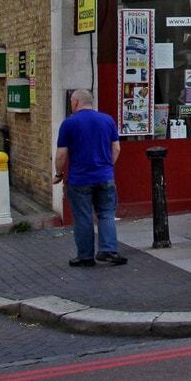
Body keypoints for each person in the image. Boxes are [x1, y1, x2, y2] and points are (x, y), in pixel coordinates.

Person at [54, 88, 124, 268]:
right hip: (104, 177)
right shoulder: (108, 120)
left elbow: (61, 154)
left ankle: (85, 257)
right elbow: (116, 149)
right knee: (107, 214)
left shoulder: (69, 123)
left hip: (79, 179)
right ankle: (108, 250)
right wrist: (108, 167)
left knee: (83, 217)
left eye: (71, 102)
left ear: (75, 102)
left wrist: (59, 174)